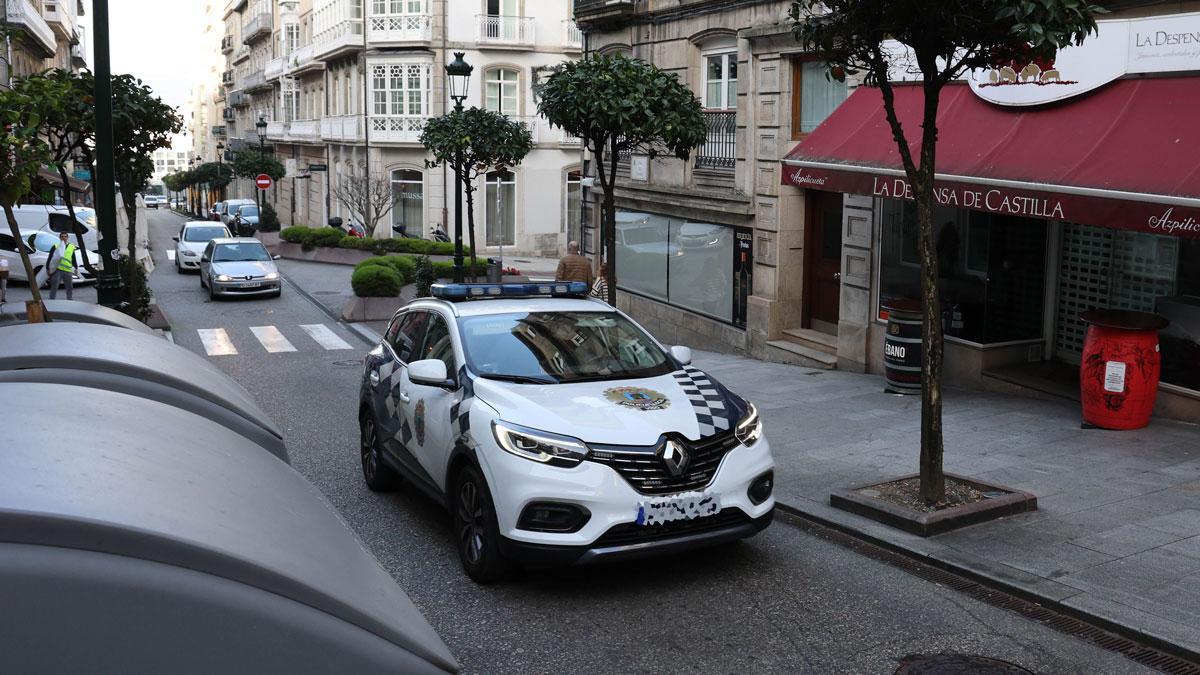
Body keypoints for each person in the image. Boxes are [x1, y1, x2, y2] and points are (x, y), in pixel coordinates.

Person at [46, 232, 77, 300]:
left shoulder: (71, 247)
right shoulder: (56, 246)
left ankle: (69, 299)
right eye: (62, 236)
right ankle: (52, 300)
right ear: (60, 238)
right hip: (57, 269)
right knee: (54, 286)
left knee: (69, 287)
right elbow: (50, 257)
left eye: (65, 236)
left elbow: (73, 258)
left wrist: (76, 268)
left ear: (67, 238)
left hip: (68, 270)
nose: (64, 238)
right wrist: (48, 268)